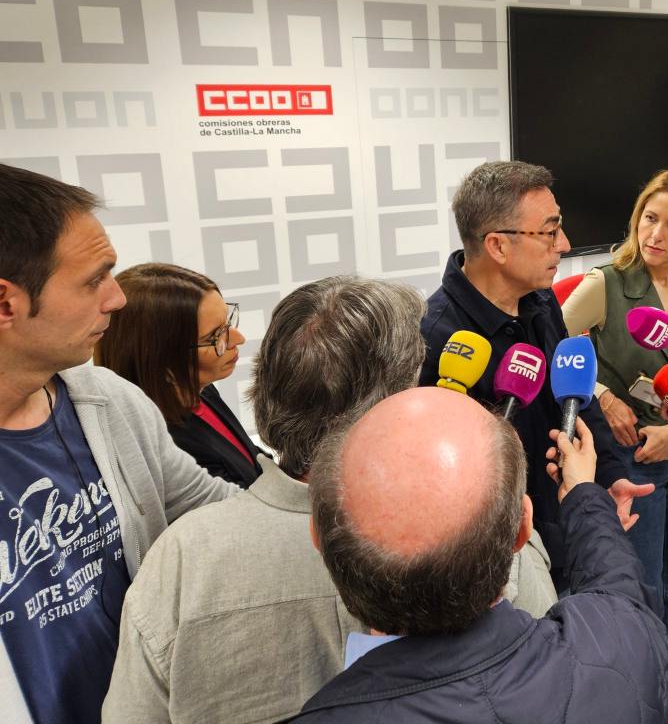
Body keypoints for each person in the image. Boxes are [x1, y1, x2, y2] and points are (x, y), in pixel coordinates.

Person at [101, 276, 560, 723]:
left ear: (268, 388)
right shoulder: (481, 525)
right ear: (396, 401)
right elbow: (548, 681)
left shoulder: (179, 561)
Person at [0, 163, 235, 724]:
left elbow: (211, 508)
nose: (117, 299)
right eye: (93, 280)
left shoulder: (109, 400)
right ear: (5, 303)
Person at [294, 389, 668, 723]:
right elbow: (618, 586)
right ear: (523, 530)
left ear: (319, 539)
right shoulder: (624, 652)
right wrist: (582, 495)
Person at [420, 160, 651, 585]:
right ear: (498, 246)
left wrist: (609, 478)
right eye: (549, 231)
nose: (564, 244)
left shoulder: (542, 303)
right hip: (504, 567)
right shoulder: (437, 339)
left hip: (572, 530)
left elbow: (577, 397)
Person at [560, 167, 668, 724]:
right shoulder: (604, 283)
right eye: (649, 219)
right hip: (633, 457)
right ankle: (651, 703)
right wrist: (605, 397)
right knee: (646, 586)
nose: (657, 234)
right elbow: (556, 348)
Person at [95, 263, 264, 488]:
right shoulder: (170, 447)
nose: (238, 339)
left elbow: (252, 461)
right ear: (161, 358)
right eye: (215, 336)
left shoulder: (200, 390)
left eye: (227, 323)